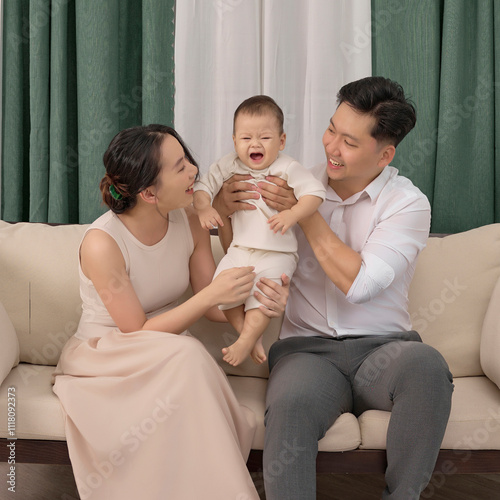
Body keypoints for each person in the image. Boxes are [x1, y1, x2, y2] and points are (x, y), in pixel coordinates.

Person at [214, 77, 454, 500]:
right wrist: (222, 209)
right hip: (307, 351)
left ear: (385, 154)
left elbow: (360, 284)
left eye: (349, 141)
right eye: (330, 130)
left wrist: (305, 214)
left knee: (428, 366)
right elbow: (243, 247)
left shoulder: (406, 203)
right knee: (290, 405)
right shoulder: (288, 181)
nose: (331, 148)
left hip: (386, 349)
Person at [52, 124, 289, 500]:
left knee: (186, 354)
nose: (194, 170)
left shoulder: (190, 217)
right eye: (179, 167)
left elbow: (212, 307)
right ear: (148, 192)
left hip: (166, 348)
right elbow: (137, 330)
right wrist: (215, 293)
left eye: (187, 159)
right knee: (189, 353)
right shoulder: (102, 243)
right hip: (109, 352)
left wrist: (259, 304)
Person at [194, 95, 325, 367]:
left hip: (278, 253)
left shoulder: (287, 167)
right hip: (239, 250)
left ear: (281, 141)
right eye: (245, 138)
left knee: (263, 297)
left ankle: (243, 341)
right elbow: (202, 187)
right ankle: (249, 336)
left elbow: (315, 194)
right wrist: (205, 208)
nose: (254, 144)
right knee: (222, 291)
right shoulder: (229, 164)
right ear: (234, 141)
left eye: (264, 138)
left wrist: (293, 212)